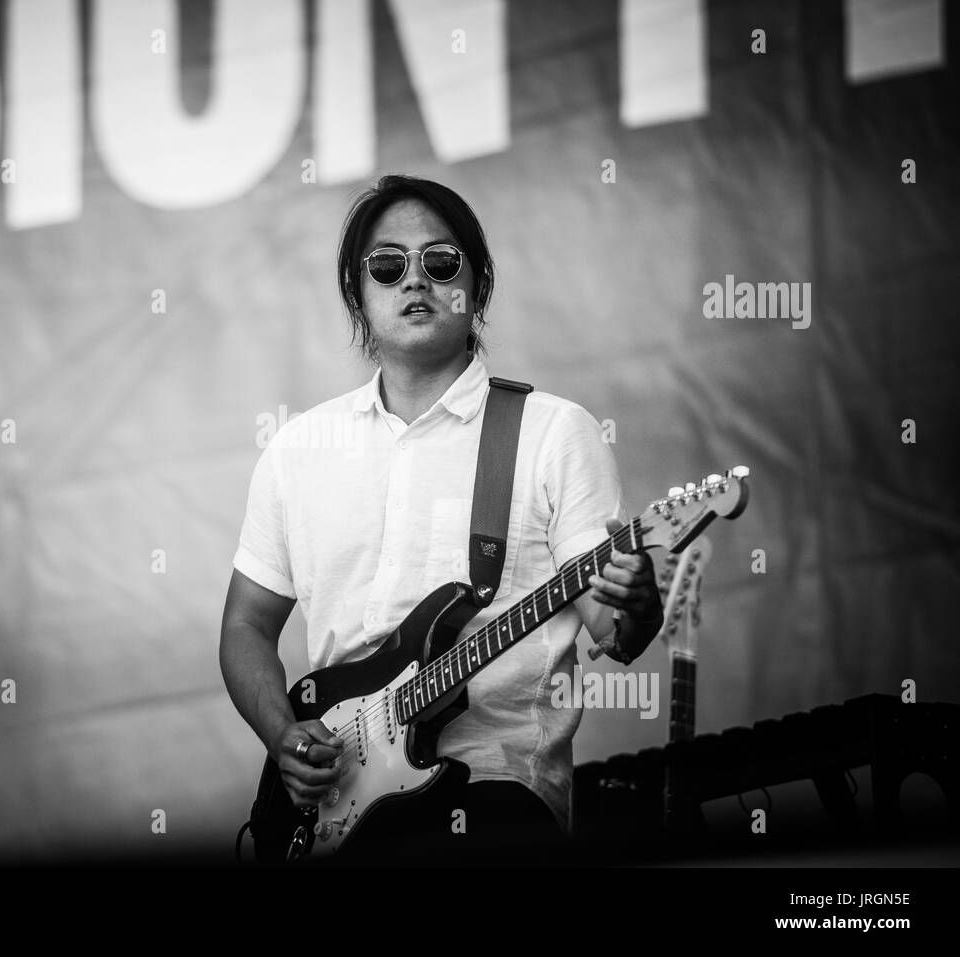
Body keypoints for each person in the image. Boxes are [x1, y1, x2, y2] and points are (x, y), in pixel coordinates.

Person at [219, 174, 663, 865]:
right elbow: (246, 623)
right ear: (357, 294)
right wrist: (283, 735)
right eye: (388, 265)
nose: (415, 280)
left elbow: (618, 631)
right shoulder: (297, 449)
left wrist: (635, 600)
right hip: (334, 804)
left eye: (442, 262)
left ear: (476, 287)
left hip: (493, 798)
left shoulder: (552, 432)